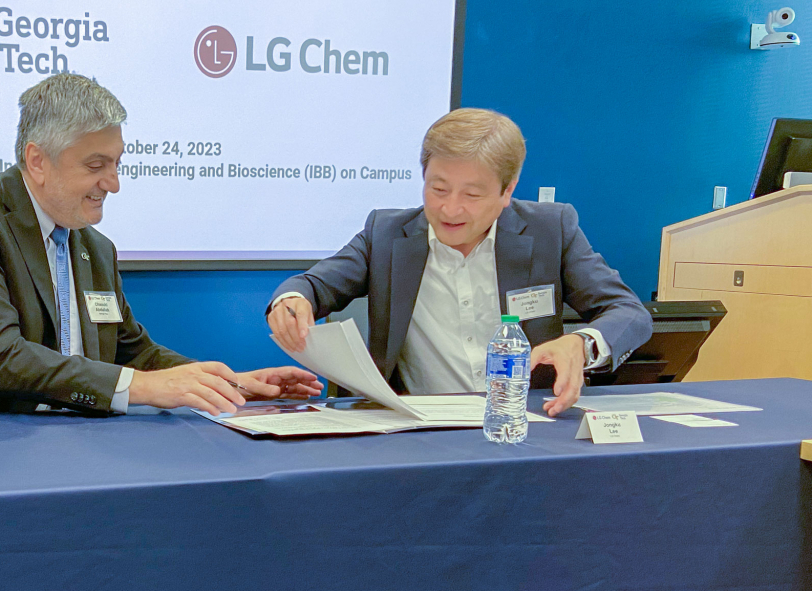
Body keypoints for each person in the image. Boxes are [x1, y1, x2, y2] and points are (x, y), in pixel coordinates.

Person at [0, 73, 319, 417]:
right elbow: (0, 358)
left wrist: (225, 383)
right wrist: (145, 387)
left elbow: (134, 352)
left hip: (53, 442)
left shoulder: (95, 248)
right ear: (37, 161)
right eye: (96, 165)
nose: (113, 183)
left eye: (117, 163)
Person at [267, 108, 651, 416]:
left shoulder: (551, 230)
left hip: (525, 423)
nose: (450, 209)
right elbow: (314, 285)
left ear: (507, 190)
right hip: (418, 429)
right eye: (438, 188)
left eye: (472, 194)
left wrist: (580, 345)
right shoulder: (387, 234)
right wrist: (291, 300)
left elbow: (629, 312)